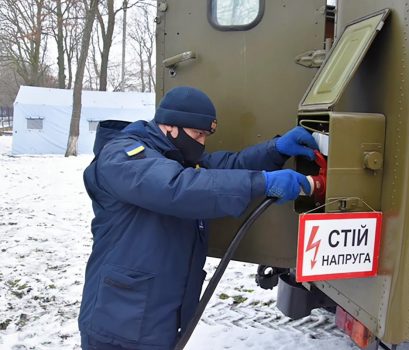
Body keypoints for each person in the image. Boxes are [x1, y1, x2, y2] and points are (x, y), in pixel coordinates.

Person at [79, 86, 318, 350]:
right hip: (120, 321)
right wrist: (262, 183)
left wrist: (276, 150)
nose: (202, 143)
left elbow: (228, 166)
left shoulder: (172, 156)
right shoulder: (122, 155)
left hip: (155, 317)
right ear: (169, 126)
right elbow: (178, 187)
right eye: (198, 134)